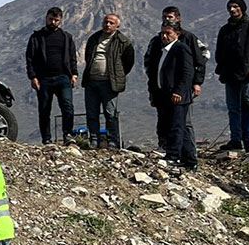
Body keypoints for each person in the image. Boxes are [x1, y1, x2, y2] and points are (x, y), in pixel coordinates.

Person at [214, 0, 249, 150]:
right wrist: (221, 69)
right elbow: (220, 51)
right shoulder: (225, 30)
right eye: (230, 7)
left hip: (248, 73)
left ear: (242, 8)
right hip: (230, 74)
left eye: (236, 6)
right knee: (233, 108)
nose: (232, 10)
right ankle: (236, 139)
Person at [145, 17, 198, 169]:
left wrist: (179, 91)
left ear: (177, 34)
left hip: (177, 96)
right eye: (162, 33)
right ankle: (187, 159)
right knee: (168, 125)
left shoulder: (181, 49)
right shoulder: (162, 51)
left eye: (168, 33)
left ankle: (175, 156)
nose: (164, 36)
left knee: (177, 126)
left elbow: (187, 72)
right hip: (164, 96)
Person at [25, 7, 79, 145]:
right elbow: (29, 58)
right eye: (51, 19)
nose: (53, 22)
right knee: (44, 110)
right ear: (46, 18)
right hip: (43, 79)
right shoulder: (37, 37)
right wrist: (33, 77)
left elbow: (72, 57)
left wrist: (74, 74)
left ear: (60, 20)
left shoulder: (66, 37)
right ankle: (46, 139)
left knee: (68, 107)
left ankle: (68, 134)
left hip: (63, 77)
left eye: (56, 20)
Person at [81, 13, 135, 149]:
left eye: (111, 23)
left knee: (110, 113)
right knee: (91, 112)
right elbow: (88, 56)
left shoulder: (123, 41)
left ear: (117, 25)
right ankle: (94, 139)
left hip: (109, 84)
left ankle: (113, 140)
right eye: (106, 22)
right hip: (92, 82)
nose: (107, 25)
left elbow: (128, 61)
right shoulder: (94, 38)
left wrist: (117, 75)